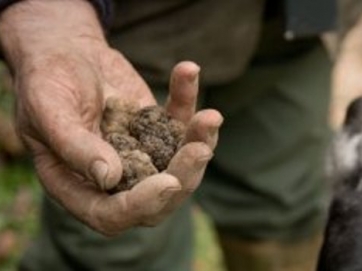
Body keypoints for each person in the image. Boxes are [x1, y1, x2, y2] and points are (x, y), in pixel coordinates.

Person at [0, 0, 360, 270]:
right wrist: (42, 12)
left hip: (300, 20)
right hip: (131, 28)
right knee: (117, 250)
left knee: (284, 211)